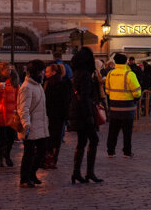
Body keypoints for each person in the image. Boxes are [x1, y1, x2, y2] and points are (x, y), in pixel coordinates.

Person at [68, 46, 105, 184]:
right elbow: (85, 98)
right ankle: (89, 172)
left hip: (77, 112)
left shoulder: (76, 73)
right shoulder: (85, 76)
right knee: (93, 140)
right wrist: (90, 116)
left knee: (82, 142)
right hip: (84, 114)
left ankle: (76, 173)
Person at [103, 52, 141, 158]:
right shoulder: (130, 74)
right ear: (126, 62)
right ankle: (127, 152)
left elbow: (107, 90)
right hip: (127, 108)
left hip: (114, 107)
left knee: (113, 131)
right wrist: (135, 98)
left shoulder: (110, 73)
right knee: (127, 132)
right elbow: (137, 92)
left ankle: (111, 151)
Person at [18, 60, 49, 188]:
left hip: (40, 124)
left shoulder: (38, 85)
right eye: (40, 71)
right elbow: (23, 108)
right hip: (30, 125)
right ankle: (24, 178)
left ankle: (32, 173)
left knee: (42, 151)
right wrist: (26, 125)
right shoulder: (26, 87)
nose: (42, 73)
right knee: (29, 153)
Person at [0, 62, 20, 168]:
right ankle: (0, 158)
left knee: (11, 137)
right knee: (1, 137)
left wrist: (18, 111)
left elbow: (18, 98)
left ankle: (7, 154)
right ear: (1, 71)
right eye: (6, 70)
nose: (8, 72)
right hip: (0, 114)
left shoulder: (14, 83)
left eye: (10, 70)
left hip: (11, 115)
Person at [42, 63, 71, 170]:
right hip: (55, 116)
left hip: (54, 116)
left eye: (48, 71)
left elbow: (65, 102)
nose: (46, 73)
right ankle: (51, 159)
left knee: (52, 138)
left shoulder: (55, 84)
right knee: (54, 139)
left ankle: (50, 159)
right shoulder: (53, 83)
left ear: (54, 72)